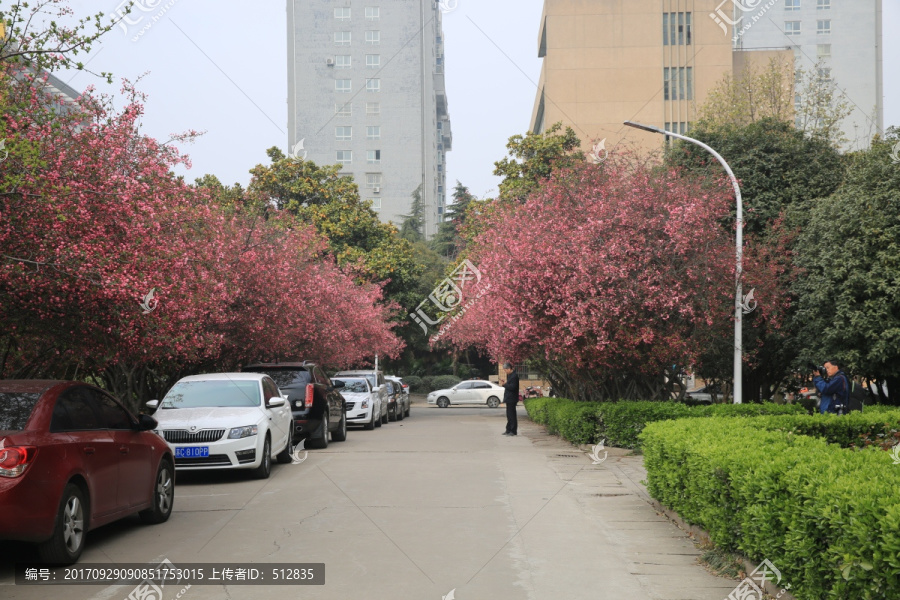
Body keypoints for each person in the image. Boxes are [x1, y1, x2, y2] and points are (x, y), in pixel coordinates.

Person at [502, 363, 520, 435]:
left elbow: (513, 387)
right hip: (508, 397)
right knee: (509, 415)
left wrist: (505, 385)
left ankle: (513, 430)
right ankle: (508, 429)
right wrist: (505, 383)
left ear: (509, 368)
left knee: (512, 415)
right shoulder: (509, 375)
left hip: (512, 398)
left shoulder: (514, 376)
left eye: (506, 370)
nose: (505, 371)